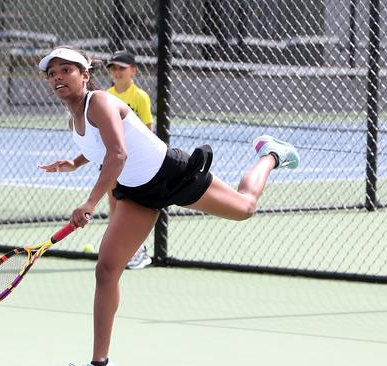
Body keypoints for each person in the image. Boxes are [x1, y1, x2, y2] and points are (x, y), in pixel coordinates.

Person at [36, 47, 300, 366]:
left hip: (171, 174)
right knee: (106, 269)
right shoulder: (73, 119)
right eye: (53, 73)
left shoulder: (100, 102)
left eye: (67, 70)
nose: (58, 77)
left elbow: (118, 154)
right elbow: (101, 146)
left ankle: (270, 155)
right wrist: (75, 163)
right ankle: (99, 362)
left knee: (245, 208)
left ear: (85, 75)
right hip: (138, 193)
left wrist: (91, 202)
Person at [106, 50, 154, 270]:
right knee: (114, 204)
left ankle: (138, 250)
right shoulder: (106, 95)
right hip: (113, 160)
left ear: (133, 70)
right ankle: (117, 250)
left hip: (134, 163)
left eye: (121, 68)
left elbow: (147, 130)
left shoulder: (140, 97)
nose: (116, 72)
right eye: (113, 68)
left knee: (133, 207)